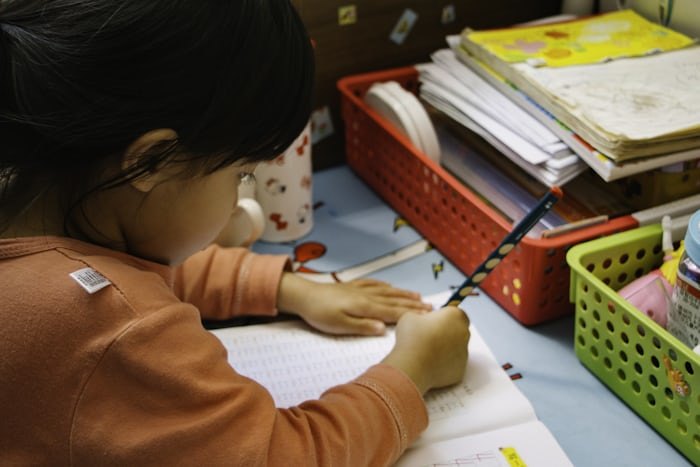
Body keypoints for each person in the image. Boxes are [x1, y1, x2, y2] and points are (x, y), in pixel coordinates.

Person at [0, 1, 471, 466]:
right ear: (151, 161)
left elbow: (121, 272)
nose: (236, 200)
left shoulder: (30, 200)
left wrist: (286, 288)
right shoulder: (115, 329)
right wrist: (415, 368)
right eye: (241, 174)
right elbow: (287, 459)